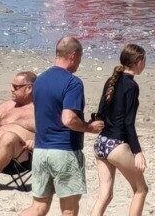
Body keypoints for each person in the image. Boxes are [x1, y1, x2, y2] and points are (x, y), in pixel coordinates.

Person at [23, 37, 103, 216]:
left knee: (38, 207)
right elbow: (68, 119)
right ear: (73, 55)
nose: (79, 64)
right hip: (64, 151)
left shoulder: (39, 81)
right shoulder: (73, 83)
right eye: (80, 59)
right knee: (69, 209)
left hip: (41, 151)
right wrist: (89, 127)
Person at [89, 45, 148, 216]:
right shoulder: (131, 86)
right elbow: (128, 123)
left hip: (101, 143)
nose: (144, 64)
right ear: (138, 62)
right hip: (116, 145)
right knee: (141, 189)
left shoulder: (111, 80)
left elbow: (99, 113)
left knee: (105, 195)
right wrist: (137, 152)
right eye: (144, 60)